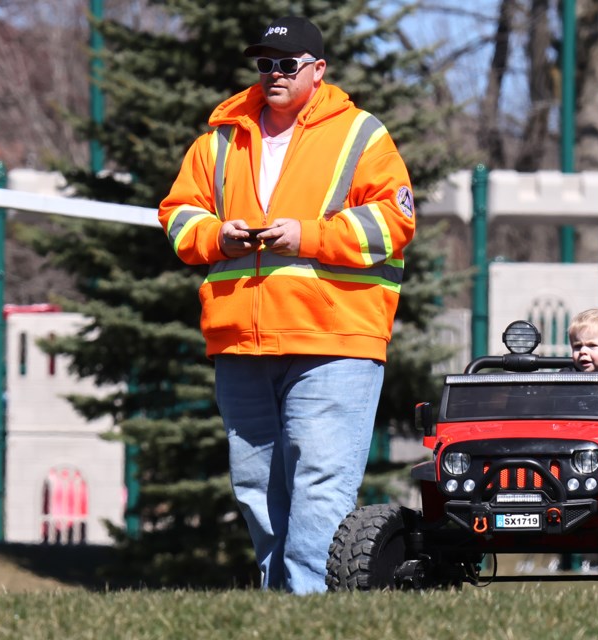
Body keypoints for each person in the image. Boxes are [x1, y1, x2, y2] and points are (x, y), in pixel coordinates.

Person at [158, 15, 416, 593]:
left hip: (333, 341)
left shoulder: (361, 135)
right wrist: (216, 235)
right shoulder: (218, 141)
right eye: (265, 64)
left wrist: (307, 235)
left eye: (287, 64)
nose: (273, 74)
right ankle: (279, 603)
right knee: (256, 487)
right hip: (241, 341)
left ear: (318, 70)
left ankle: (309, 606)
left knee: (320, 481)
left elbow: (394, 221)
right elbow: (177, 215)